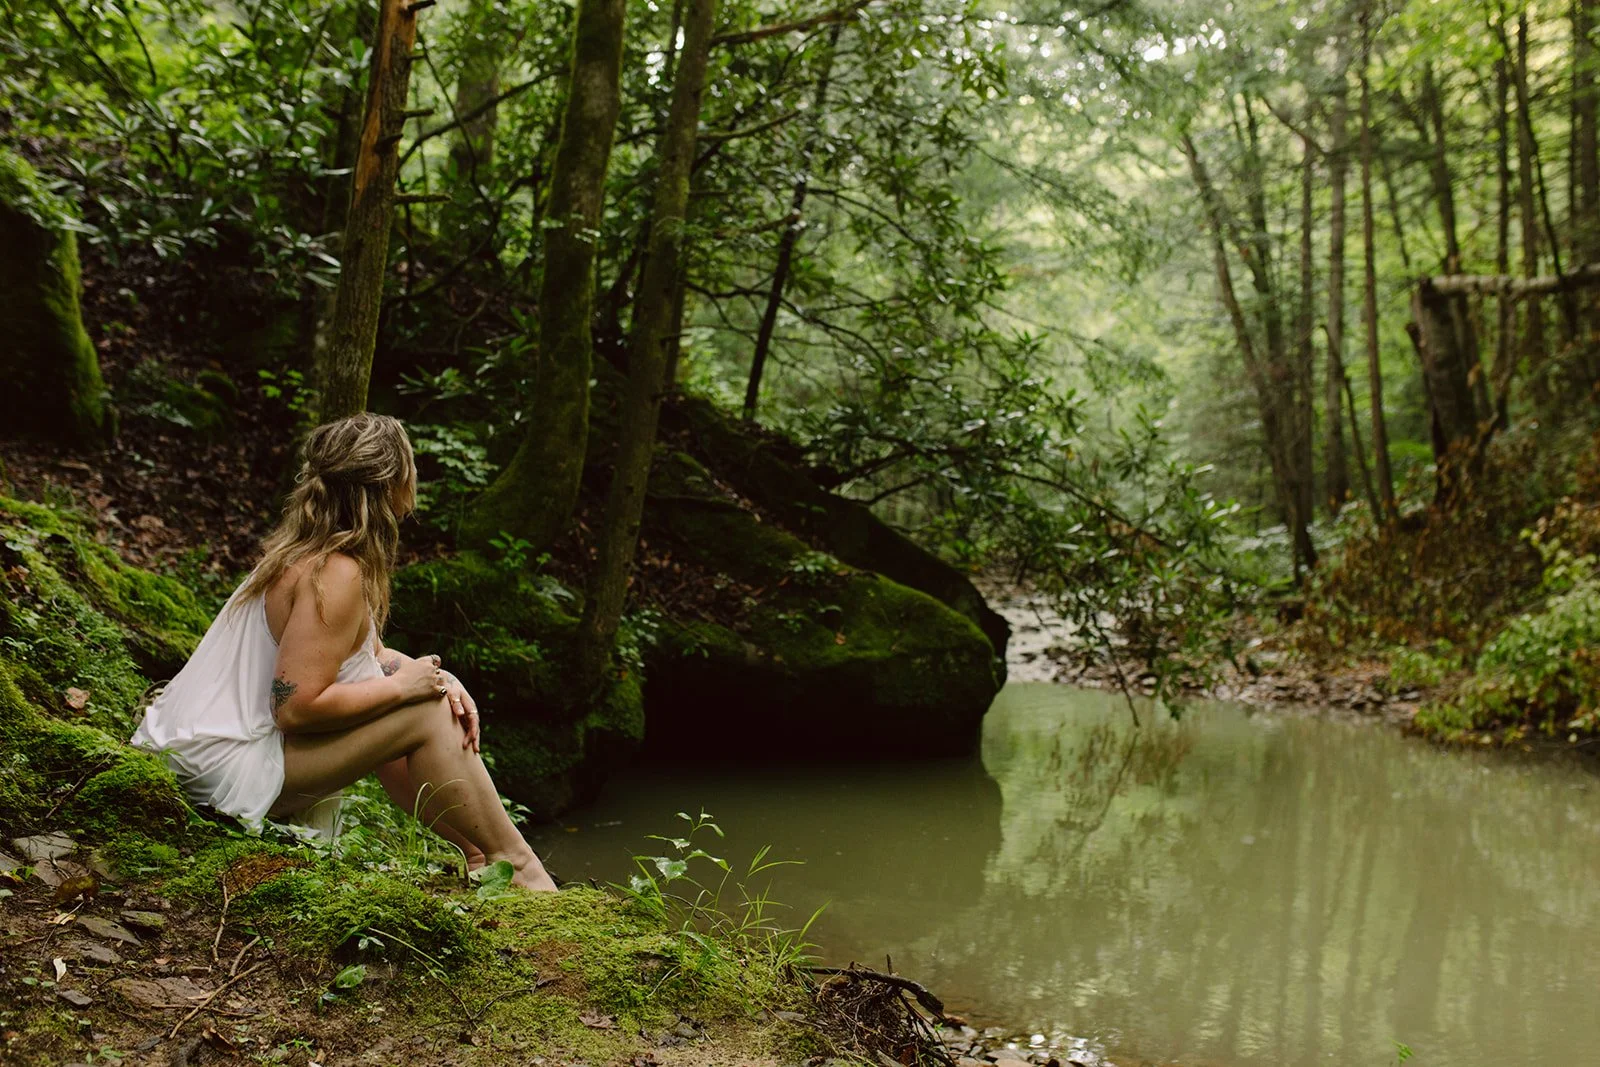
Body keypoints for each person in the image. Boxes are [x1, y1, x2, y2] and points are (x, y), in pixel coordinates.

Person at [131, 413, 557, 891]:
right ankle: (518, 864)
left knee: (428, 697)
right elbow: (294, 707)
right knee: (426, 713)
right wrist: (403, 689)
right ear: (394, 482)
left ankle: (481, 856)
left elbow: (367, 659)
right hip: (223, 769)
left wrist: (433, 675)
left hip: (207, 755)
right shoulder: (334, 573)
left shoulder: (321, 554)